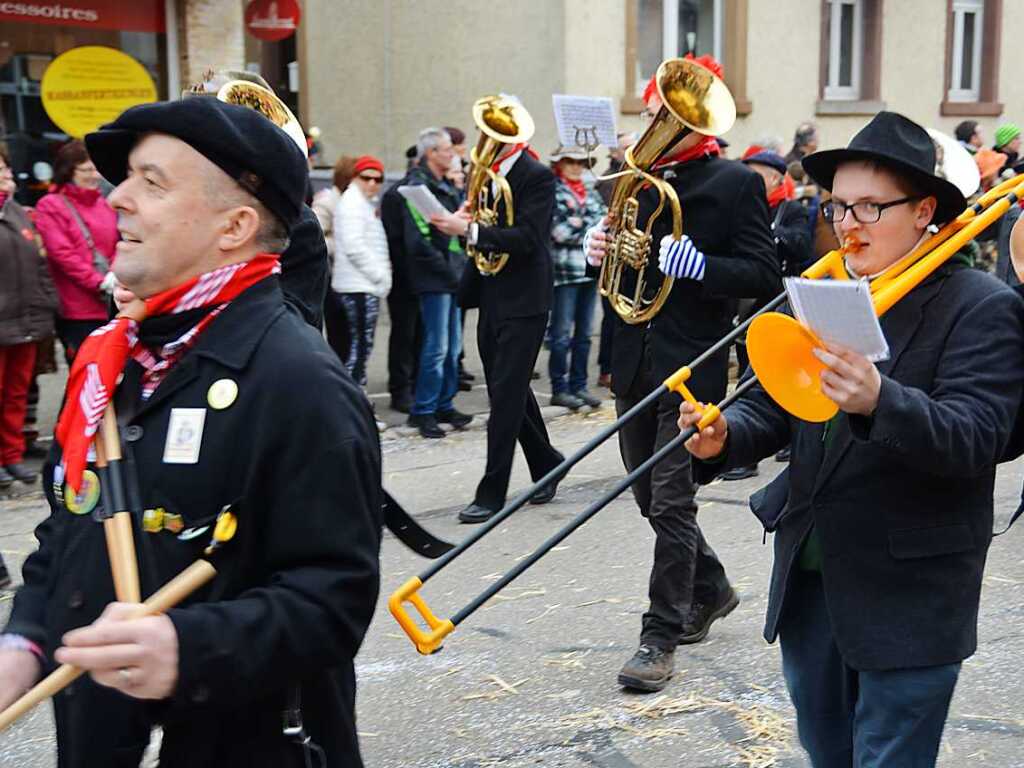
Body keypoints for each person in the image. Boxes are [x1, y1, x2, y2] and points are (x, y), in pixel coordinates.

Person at [0, 97, 382, 768]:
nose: (117, 198)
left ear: (233, 225)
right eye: (126, 180)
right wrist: (25, 640)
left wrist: (188, 648)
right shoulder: (114, 360)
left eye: (152, 183)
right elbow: (70, 526)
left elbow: (335, 597)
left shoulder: (300, 380)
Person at [680, 110, 1024, 767]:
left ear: (925, 210)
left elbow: (977, 438)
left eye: (870, 208)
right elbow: (778, 407)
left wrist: (878, 399)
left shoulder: (981, 304)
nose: (847, 225)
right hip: (814, 581)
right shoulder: (830, 287)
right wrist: (722, 437)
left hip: (910, 595)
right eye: (838, 207)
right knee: (827, 752)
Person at [584, 56, 779, 693]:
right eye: (649, 112)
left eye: (657, 113)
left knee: (670, 500)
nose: (648, 122)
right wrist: (600, 254)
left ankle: (659, 634)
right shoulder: (638, 185)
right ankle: (713, 585)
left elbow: (762, 277)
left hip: (690, 364)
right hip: (634, 359)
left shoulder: (733, 183)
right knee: (648, 498)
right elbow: (624, 278)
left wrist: (701, 266)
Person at [431, 99, 566, 524]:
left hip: (526, 299)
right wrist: (465, 221)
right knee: (509, 388)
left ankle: (492, 491)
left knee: (505, 397)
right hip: (492, 291)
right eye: (484, 133)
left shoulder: (538, 176)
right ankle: (547, 461)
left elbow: (528, 238)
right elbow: (487, 229)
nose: (484, 141)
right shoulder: (484, 175)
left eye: (494, 135)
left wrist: (469, 229)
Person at [721, 148, 813, 482]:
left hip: (778, 301)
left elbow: (802, 245)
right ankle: (747, 447)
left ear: (776, 178)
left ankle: (767, 443)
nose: (750, 181)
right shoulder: (742, 210)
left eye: (758, 175)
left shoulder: (791, 210)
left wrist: (768, 237)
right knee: (747, 367)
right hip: (745, 302)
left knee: (773, 370)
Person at [401, 127, 471, 438]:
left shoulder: (445, 184)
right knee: (437, 347)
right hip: (436, 278)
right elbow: (420, 241)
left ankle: (445, 403)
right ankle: (423, 410)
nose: (453, 153)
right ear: (430, 153)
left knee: (453, 346)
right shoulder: (417, 188)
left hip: (453, 276)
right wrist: (449, 272)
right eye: (447, 149)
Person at [0, 148, 56, 490]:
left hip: (25, 321)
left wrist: (47, 303)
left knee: (16, 395)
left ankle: (12, 456)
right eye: (0, 168)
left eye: (5, 165)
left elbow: (39, 263)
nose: (6, 172)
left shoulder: (18, 211)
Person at [33, 140, 118, 361]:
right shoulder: (50, 205)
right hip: (76, 308)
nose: (95, 175)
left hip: (109, 302)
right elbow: (62, 254)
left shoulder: (103, 203)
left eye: (96, 169)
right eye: (87, 169)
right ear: (69, 170)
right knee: (83, 371)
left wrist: (115, 274)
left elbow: (119, 241)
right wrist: (98, 282)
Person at [547, 145, 605, 409]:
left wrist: (580, 224)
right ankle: (559, 388)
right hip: (565, 273)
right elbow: (558, 231)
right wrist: (589, 229)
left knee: (584, 334)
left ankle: (579, 386)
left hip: (588, 270)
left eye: (581, 162)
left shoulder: (591, 192)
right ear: (560, 164)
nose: (576, 166)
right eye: (570, 161)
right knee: (560, 334)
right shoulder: (553, 190)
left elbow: (603, 223)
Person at [330, 155, 391, 390]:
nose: (373, 184)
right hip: (358, 287)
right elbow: (354, 247)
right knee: (357, 352)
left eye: (378, 179)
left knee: (359, 351)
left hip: (362, 286)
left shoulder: (362, 203)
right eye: (366, 178)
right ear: (354, 178)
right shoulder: (352, 204)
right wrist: (380, 277)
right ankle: (355, 409)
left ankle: (357, 408)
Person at [315, 155, 357, 356]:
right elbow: (317, 240)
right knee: (340, 331)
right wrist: (343, 240)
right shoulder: (327, 201)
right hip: (332, 275)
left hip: (347, 272)